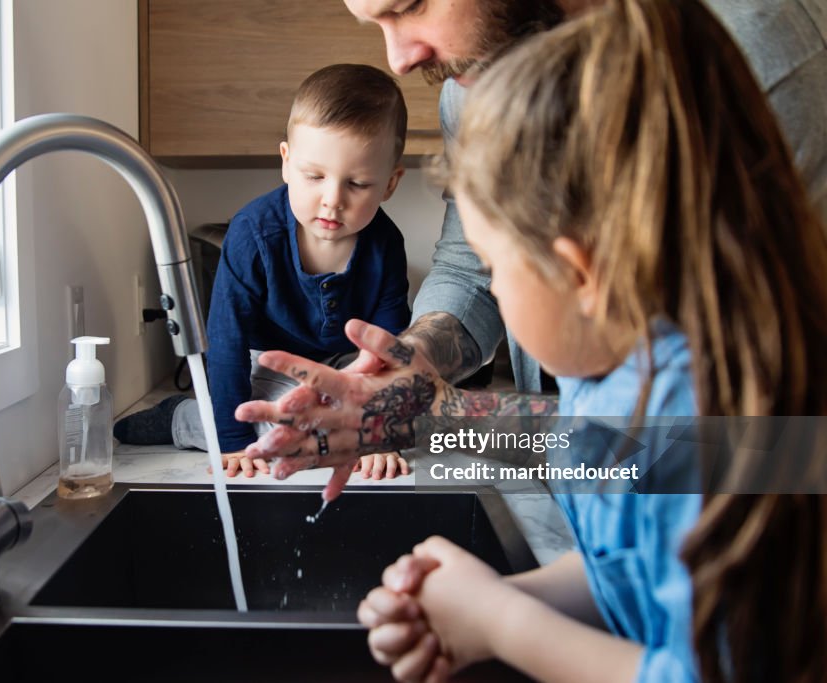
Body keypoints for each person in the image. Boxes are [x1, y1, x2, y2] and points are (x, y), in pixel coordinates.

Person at [351, 1, 827, 681]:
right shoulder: (609, 374)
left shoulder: (704, 424)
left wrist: (505, 623)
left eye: (499, 268)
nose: (398, 57)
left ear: (579, 272)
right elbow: (629, 567)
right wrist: (490, 606)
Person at [232, 0, 827, 498]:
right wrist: (406, 371)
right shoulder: (475, 82)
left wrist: (446, 419)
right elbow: (470, 268)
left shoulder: (755, 58)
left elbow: (757, 450)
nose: (398, 58)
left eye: (411, 5)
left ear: (581, 269)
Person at [115, 63, 412, 480]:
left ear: (390, 184)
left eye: (358, 184)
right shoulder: (253, 233)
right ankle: (183, 418)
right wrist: (233, 442)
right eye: (314, 176)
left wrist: (381, 436)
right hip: (262, 365)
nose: (332, 200)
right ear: (287, 163)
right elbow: (226, 341)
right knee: (283, 423)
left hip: (340, 363)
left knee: (419, 414)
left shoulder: (385, 244)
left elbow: (386, 351)